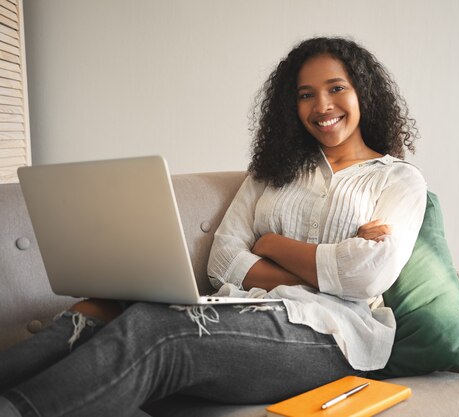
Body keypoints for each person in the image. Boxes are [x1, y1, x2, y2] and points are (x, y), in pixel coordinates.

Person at [0, 36, 427, 417]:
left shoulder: (398, 181)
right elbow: (223, 260)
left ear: (362, 92)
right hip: (240, 312)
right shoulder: (272, 172)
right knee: (100, 309)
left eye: (336, 88)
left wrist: (271, 243)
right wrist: (325, 266)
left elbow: (366, 274)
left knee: (159, 328)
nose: (322, 106)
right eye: (305, 94)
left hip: (334, 337)